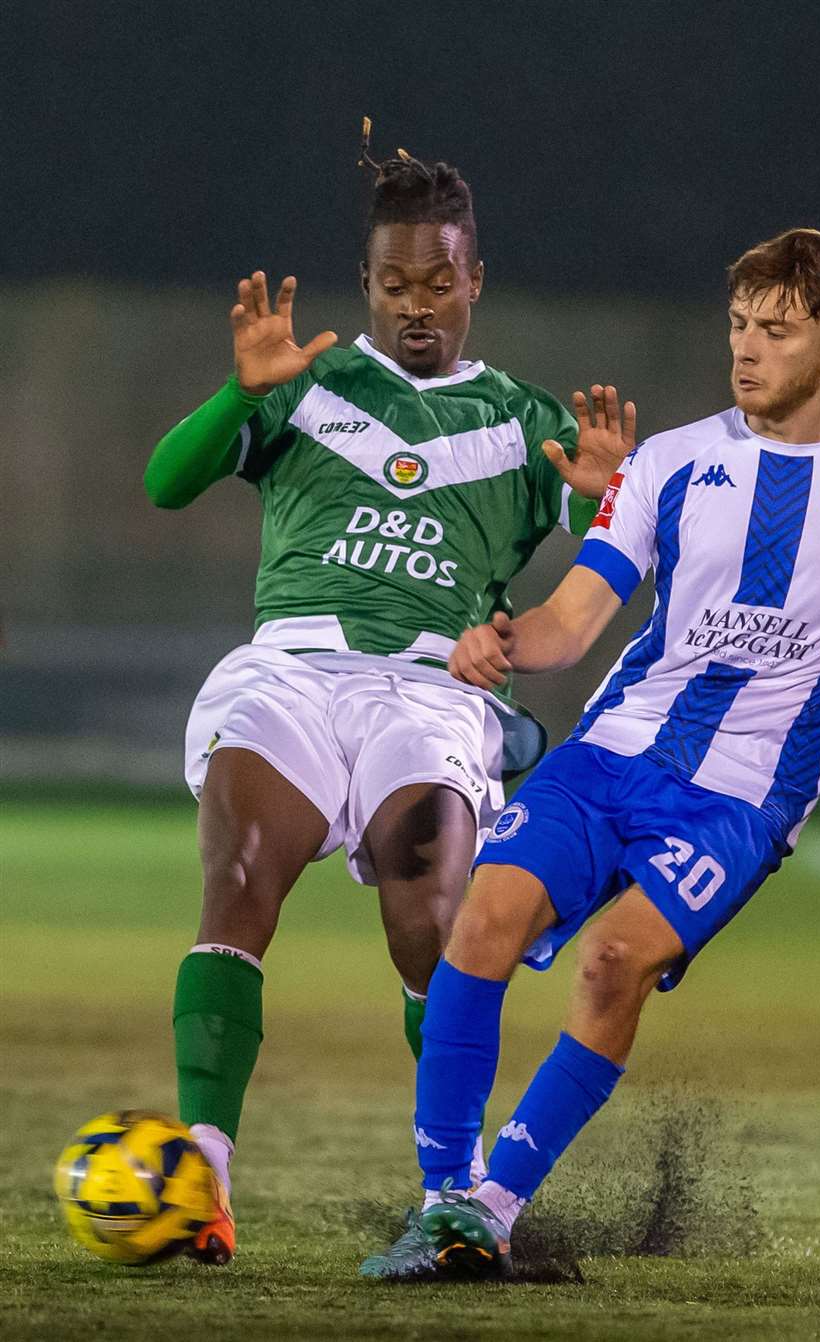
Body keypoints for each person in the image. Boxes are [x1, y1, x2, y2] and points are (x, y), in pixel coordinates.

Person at [360, 228, 820, 1280]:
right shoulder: (671, 462)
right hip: (612, 753)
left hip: (742, 800)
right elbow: (573, 622)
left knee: (614, 963)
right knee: (482, 918)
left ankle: (499, 1204)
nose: (748, 350)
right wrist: (504, 639)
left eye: (778, 331)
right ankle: (442, 1204)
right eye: (740, 325)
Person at [143, 147, 636, 1264]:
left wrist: (610, 502)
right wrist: (239, 392)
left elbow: (618, 555)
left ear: (476, 280)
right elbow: (166, 482)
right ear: (367, 286)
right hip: (294, 672)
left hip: (431, 689)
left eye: (440, 282)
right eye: (395, 285)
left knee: (430, 925)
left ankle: (452, 1193)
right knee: (235, 885)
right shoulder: (305, 384)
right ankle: (203, 1175)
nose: (419, 306)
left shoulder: (524, 419)